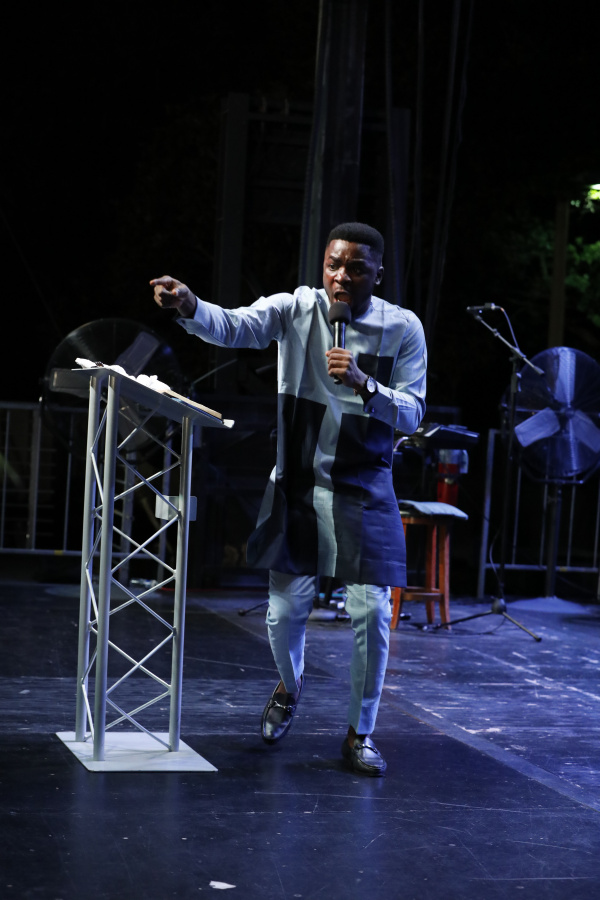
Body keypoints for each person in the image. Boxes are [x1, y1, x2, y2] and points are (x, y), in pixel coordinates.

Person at [151, 222, 427, 776]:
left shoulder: (403, 328)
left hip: (363, 483)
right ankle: (290, 684)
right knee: (283, 614)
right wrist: (189, 305)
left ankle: (360, 733)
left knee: (373, 611)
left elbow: (414, 413)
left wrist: (367, 385)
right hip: (297, 481)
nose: (340, 277)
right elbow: (234, 326)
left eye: (355, 268)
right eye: (333, 264)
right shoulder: (295, 308)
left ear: (378, 273)